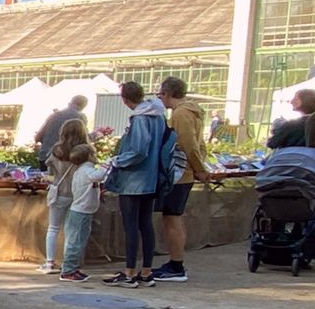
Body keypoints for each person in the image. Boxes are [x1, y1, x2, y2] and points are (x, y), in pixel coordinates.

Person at [102, 81, 166, 287]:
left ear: (125, 99)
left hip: (134, 179)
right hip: (152, 177)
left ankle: (129, 272)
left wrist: (117, 161)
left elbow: (139, 149)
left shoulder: (139, 117)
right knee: (146, 224)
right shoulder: (159, 116)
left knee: (130, 226)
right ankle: (146, 271)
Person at [152, 77, 210, 283]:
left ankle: (176, 265)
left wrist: (199, 169)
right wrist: (200, 165)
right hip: (184, 172)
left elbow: (188, 143)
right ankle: (176, 262)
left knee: (171, 218)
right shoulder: (193, 111)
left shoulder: (181, 113)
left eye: (160, 94)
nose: (160, 98)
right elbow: (198, 145)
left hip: (178, 173)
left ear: (167, 94)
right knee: (174, 216)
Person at [41, 117, 90, 272]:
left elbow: (49, 171)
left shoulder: (57, 149)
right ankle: (69, 262)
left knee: (53, 228)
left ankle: (49, 262)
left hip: (59, 192)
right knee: (72, 231)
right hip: (79, 194)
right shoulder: (86, 151)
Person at [57, 143, 108, 283]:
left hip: (84, 211)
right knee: (75, 242)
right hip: (80, 212)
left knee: (79, 241)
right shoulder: (87, 171)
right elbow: (99, 176)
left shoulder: (82, 171)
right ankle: (68, 271)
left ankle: (73, 268)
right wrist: (108, 164)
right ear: (89, 156)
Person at [34, 95, 88, 166]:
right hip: (65, 160)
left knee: (47, 177)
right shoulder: (80, 118)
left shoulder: (54, 115)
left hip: (45, 156)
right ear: (83, 106)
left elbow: (38, 137)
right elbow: (83, 139)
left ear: (70, 103)